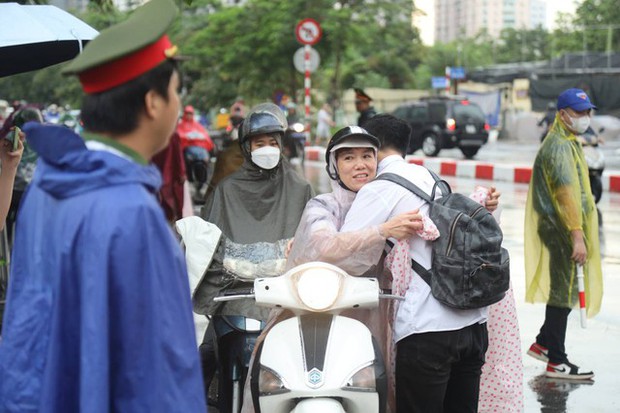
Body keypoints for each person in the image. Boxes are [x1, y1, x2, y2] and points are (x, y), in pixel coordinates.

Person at [0, 0, 207, 411]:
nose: (178, 105)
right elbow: (157, 369)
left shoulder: (48, 185)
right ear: (152, 103)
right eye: (174, 91)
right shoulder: (132, 211)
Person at [341, 114, 504, 413]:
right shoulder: (432, 178)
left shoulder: (379, 188)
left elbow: (343, 254)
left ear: (373, 148)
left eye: (364, 153)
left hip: (427, 331)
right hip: (473, 326)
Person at [199, 102, 314, 406]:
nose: (267, 149)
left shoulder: (300, 188)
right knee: (205, 360)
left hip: (286, 299)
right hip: (235, 297)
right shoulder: (226, 190)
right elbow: (207, 245)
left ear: (282, 145)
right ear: (247, 148)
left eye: (272, 143)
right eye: (259, 143)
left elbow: (316, 241)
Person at [524, 88, 602, 380]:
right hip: (562, 229)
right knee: (563, 291)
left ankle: (544, 343)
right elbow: (566, 195)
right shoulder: (557, 146)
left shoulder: (569, 141)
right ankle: (557, 360)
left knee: (564, 288)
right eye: (579, 112)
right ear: (562, 115)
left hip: (564, 228)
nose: (585, 118)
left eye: (587, 112)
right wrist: (577, 236)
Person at [177, 104, 215, 196]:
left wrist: (199, 137)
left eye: (191, 113)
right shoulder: (180, 125)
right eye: (187, 113)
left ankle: (202, 183)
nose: (189, 115)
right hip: (188, 151)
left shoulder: (198, 126)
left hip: (201, 152)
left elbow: (206, 137)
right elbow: (178, 136)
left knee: (203, 163)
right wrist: (187, 137)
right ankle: (190, 180)